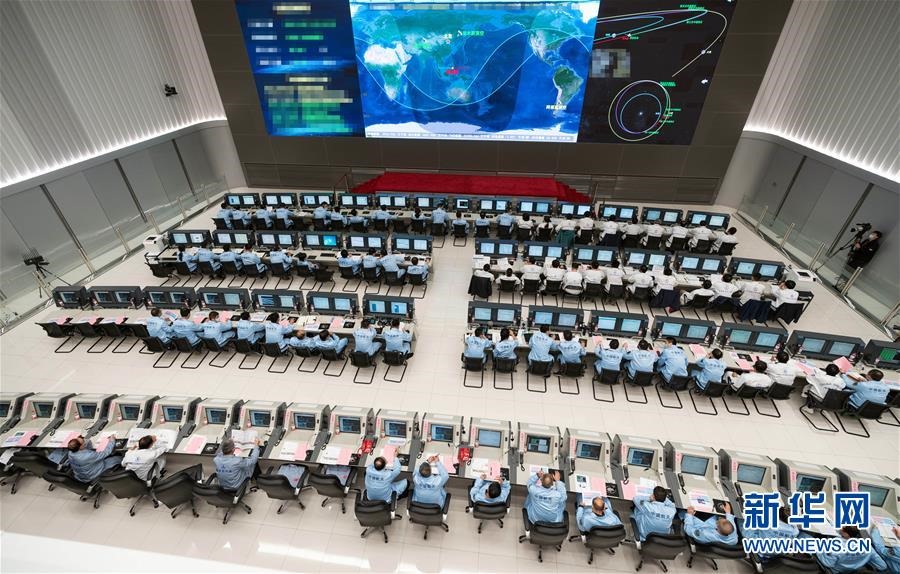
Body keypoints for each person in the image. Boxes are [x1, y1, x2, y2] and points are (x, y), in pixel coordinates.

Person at [816, 526, 887, 573]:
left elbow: (828, 564)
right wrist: (863, 559)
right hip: (851, 571)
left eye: (842, 528)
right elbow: (882, 566)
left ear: (846, 534)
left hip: (834, 571)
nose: (840, 528)